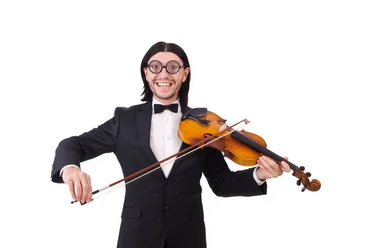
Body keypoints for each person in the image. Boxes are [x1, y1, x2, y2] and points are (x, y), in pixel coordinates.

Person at [50, 41, 291, 248]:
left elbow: (222, 184)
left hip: (189, 237)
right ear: (146, 72)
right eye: (156, 67)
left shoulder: (207, 126)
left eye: (172, 67)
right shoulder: (124, 120)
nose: (163, 74)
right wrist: (70, 167)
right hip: (137, 238)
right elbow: (72, 144)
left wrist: (259, 174)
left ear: (185, 73)